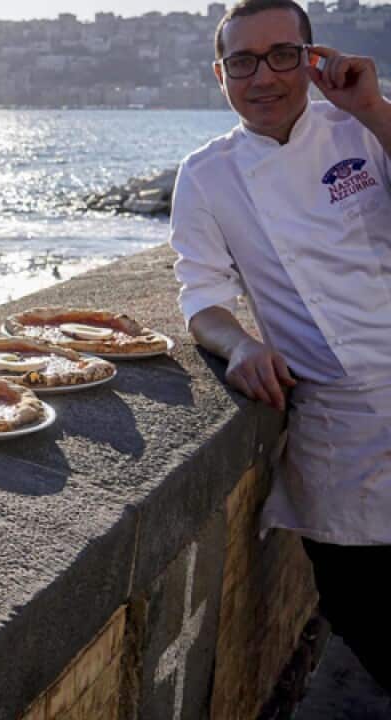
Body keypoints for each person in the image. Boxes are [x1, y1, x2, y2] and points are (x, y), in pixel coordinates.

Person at [167, 0, 391, 690]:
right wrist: (236, 346)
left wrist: (374, 109)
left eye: (281, 55)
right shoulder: (206, 175)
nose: (263, 77)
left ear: (312, 57)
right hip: (340, 433)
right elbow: (200, 295)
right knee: (366, 613)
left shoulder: (366, 125)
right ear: (220, 74)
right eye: (243, 61)